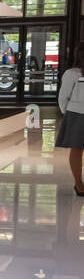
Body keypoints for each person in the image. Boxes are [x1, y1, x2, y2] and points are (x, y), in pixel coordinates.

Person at [56, 42, 84, 197]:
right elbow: (63, 97)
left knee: (77, 149)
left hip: (76, 113)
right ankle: (78, 183)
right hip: (77, 114)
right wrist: (67, 114)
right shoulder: (72, 74)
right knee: (77, 149)